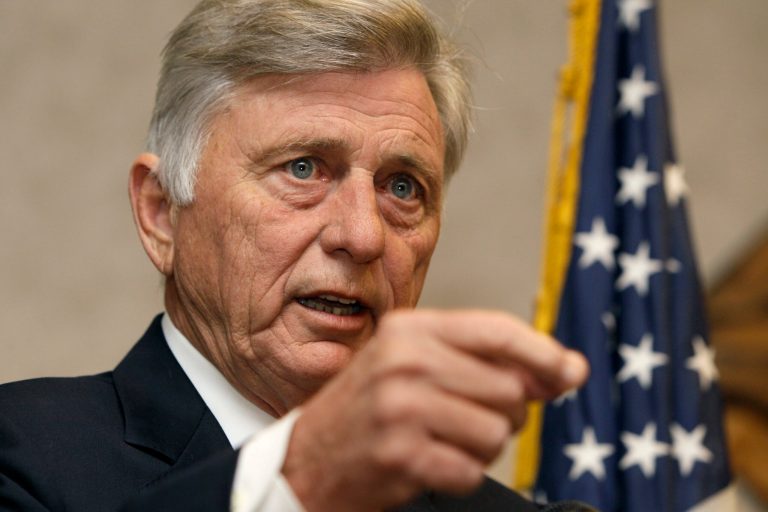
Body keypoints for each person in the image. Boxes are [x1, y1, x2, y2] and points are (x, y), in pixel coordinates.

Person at [0, 0, 589, 510]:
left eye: (402, 187)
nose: (363, 236)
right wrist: (303, 478)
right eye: (302, 168)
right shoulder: (23, 456)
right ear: (161, 213)